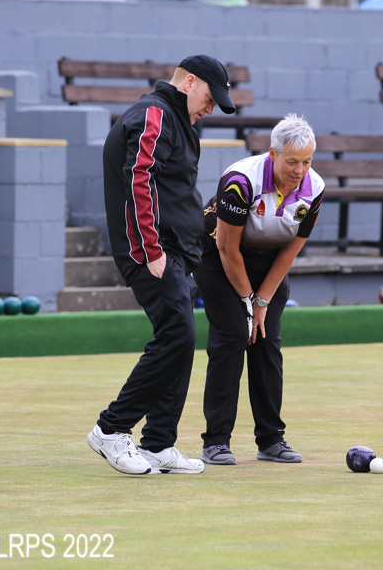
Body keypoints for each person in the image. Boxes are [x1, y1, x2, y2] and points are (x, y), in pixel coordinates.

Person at [87, 54, 236, 475]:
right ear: (189, 82)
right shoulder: (155, 113)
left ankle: (157, 443)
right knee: (177, 335)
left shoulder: (180, 123)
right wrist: (151, 248)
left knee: (181, 339)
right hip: (152, 252)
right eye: (210, 97)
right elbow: (140, 177)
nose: (211, 108)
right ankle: (111, 429)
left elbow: (173, 189)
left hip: (176, 252)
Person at [193, 114, 325, 465]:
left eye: (307, 161)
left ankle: (270, 440)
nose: (300, 170)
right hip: (217, 257)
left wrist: (262, 301)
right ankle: (216, 441)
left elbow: (290, 251)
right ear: (273, 155)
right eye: (292, 161)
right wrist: (246, 303)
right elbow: (227, 249)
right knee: (234, 334)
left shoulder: (315, 188)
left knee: (267, 340)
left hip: (267, 264)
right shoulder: (240, 181)